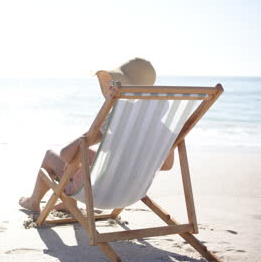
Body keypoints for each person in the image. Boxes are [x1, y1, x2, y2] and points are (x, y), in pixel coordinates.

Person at [19, 58, 174, 212]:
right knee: (87, 157)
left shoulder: (117, 121)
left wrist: (91, 134)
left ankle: (33, 201)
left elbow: (66, 154)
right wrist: (131, 161)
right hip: (132, 194)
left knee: (51, 156)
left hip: (100, 195)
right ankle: (68, 204)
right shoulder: (163, 131)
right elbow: (166, 166)